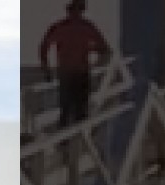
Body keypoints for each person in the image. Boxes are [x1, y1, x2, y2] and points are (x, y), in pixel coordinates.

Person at [38, 0, 112, 128]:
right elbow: (105, 49)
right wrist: (91, 52)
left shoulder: (63, 27)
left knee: (72, 112)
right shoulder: (84, 27)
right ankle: (69, 143)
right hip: (75, 73)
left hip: (73, 73)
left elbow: (44, 48)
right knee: (74, 112)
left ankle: (68, 143)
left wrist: (47, 70)